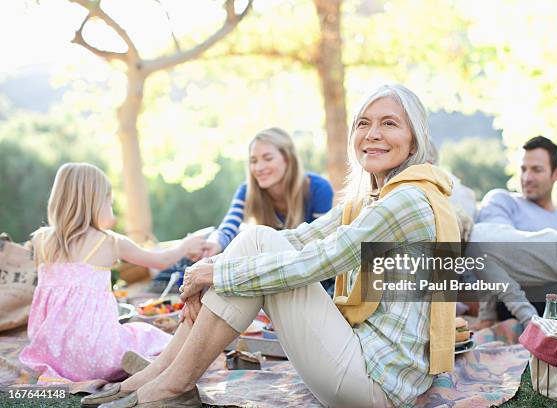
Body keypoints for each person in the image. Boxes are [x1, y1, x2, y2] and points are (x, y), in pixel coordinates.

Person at [84, 84, 460, 408]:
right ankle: (161, 375)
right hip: (360, 365)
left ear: (415, 139)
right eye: (364, 123)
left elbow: (320, 260)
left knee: (255, 251)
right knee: (256, 238)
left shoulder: (408, 200)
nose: (373, 133)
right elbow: (297, 239)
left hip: (376, 385)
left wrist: (217, 272)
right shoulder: (373, 198)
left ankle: (169, 384)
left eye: (389, 123)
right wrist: (214, 273)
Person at [19, 163, 207, 383]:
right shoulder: (109, 242)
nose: (111, 206)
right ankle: (154, 366)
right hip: (99, 357)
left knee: (131, 337)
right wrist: (186, 245)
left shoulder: (40, 240)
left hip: (52, 355)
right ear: (95, 202)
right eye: (109, 201)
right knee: (147, 335)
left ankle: (147, 365)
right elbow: (161, 260)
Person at [150, 127, 335, 294]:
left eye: (267, 158)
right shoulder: (247, 190)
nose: (259, 167)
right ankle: (173, 275)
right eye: (253, 161)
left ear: (287, 159)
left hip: (308, 271)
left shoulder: (318, 188)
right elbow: (229, 225)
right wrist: (215, 243)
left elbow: (318, 243)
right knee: (223, 239)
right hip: (271, 267)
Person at [474, 136, 557, 326]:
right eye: (523, 169)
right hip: (519, 295)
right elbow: (492, 257)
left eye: (536, 170)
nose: (527, 177)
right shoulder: (502, 201)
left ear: (556, 174)